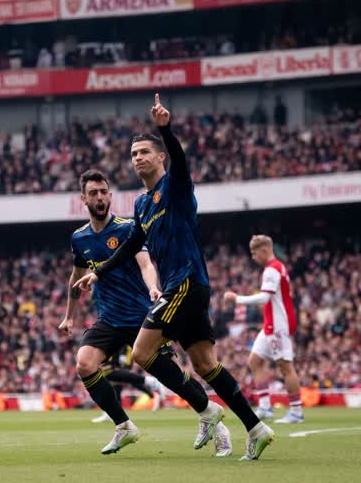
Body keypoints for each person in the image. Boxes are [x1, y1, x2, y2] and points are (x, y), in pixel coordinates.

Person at [75, 94, 274, 461]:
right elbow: (132, 243)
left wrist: (165, 129)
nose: (138, 158)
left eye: (144, 152)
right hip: (180, 289)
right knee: (205, 364)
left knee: (142, 351)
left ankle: (209, 412)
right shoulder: (141, 203)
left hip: (187, 282)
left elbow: (181, 161)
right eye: (134, 154)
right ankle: (256, 427)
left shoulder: (176, 186)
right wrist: (97, 273)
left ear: (159, 157)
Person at [60, 169, 231, 456]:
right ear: (83, 199)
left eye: (103, 192)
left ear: (110, 195)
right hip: (109, 318)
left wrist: (154, 288)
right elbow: (75, 277)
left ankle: (211, 414)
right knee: (85, 364)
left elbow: (146, 264)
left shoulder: (128, 227)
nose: (100, 197)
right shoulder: (79, 238)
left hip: (141, 314)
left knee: (172, 377)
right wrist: (69, 315)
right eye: (93, 193)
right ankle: (124, 426)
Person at [224, 234, 304, 423]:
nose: (253, 257)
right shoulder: (275, 268)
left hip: (278, 324)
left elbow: (264, 298)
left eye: (254, 252)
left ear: (265, 250)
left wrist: (238, 299)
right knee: (254, 361)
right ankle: (265, 407)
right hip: (271, 323)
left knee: (285, 366)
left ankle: (296, 411)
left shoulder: (272, 269)